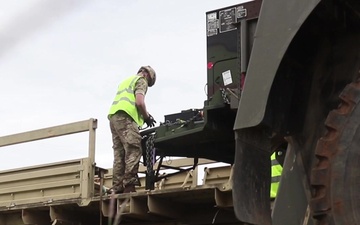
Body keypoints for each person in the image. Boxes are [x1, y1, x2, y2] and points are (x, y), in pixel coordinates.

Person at [108, 66, 157, 194]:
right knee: (134, 148)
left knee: (119, 154)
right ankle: (129, 186)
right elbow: (139, 102)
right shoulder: (141, 80)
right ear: (147, 75)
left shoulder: (126, 81)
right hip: (126, 117)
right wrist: (146, 118)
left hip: (114, 117)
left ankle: (117, 188)